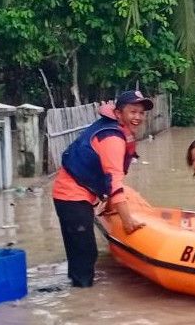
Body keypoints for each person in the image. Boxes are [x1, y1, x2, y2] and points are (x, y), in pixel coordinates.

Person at [52, 90, 153, 287]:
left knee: (81, 252)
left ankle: (76, 289)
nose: (138, 117)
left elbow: (109, 180)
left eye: (141, 113)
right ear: (118, 113)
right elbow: (114, 181)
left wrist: (106, 202)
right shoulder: (113, 138)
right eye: (133, 112)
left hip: (73, 194)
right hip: (71, 195)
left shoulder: (113, 130)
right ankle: (82, 302)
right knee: (86, 252)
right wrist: (127, 220)